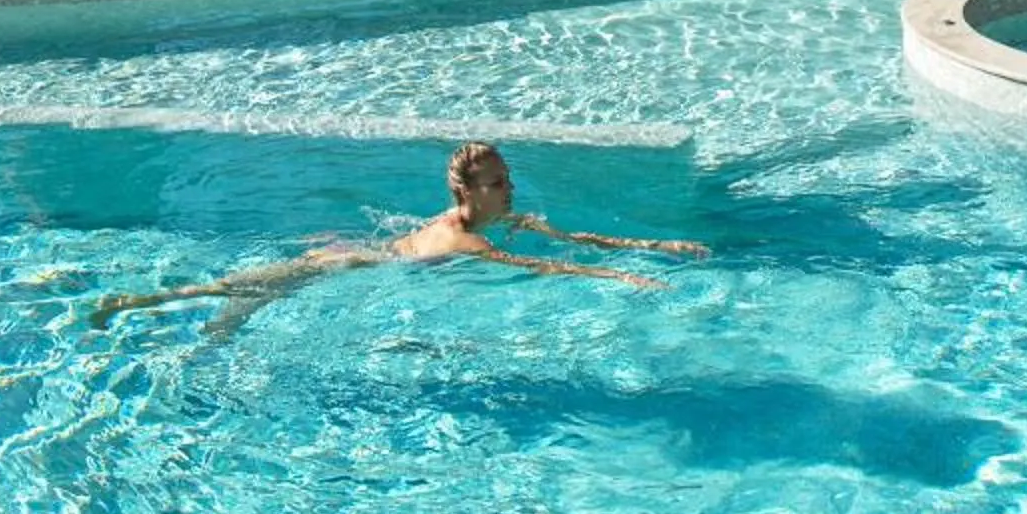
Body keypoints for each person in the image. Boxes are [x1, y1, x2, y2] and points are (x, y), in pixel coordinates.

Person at [90, 142, 706, 337]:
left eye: (509, 178)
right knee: (247, 288)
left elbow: (569, 240)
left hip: (365, 252)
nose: (510, 189)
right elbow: (545, 268)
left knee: (254, 302)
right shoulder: (468, 242)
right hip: (350, 263)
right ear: (470, 193)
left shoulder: (484, 219)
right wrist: (622, 282)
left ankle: (210, 326)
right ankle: (140, 302)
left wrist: (651, 248)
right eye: (498, 183)